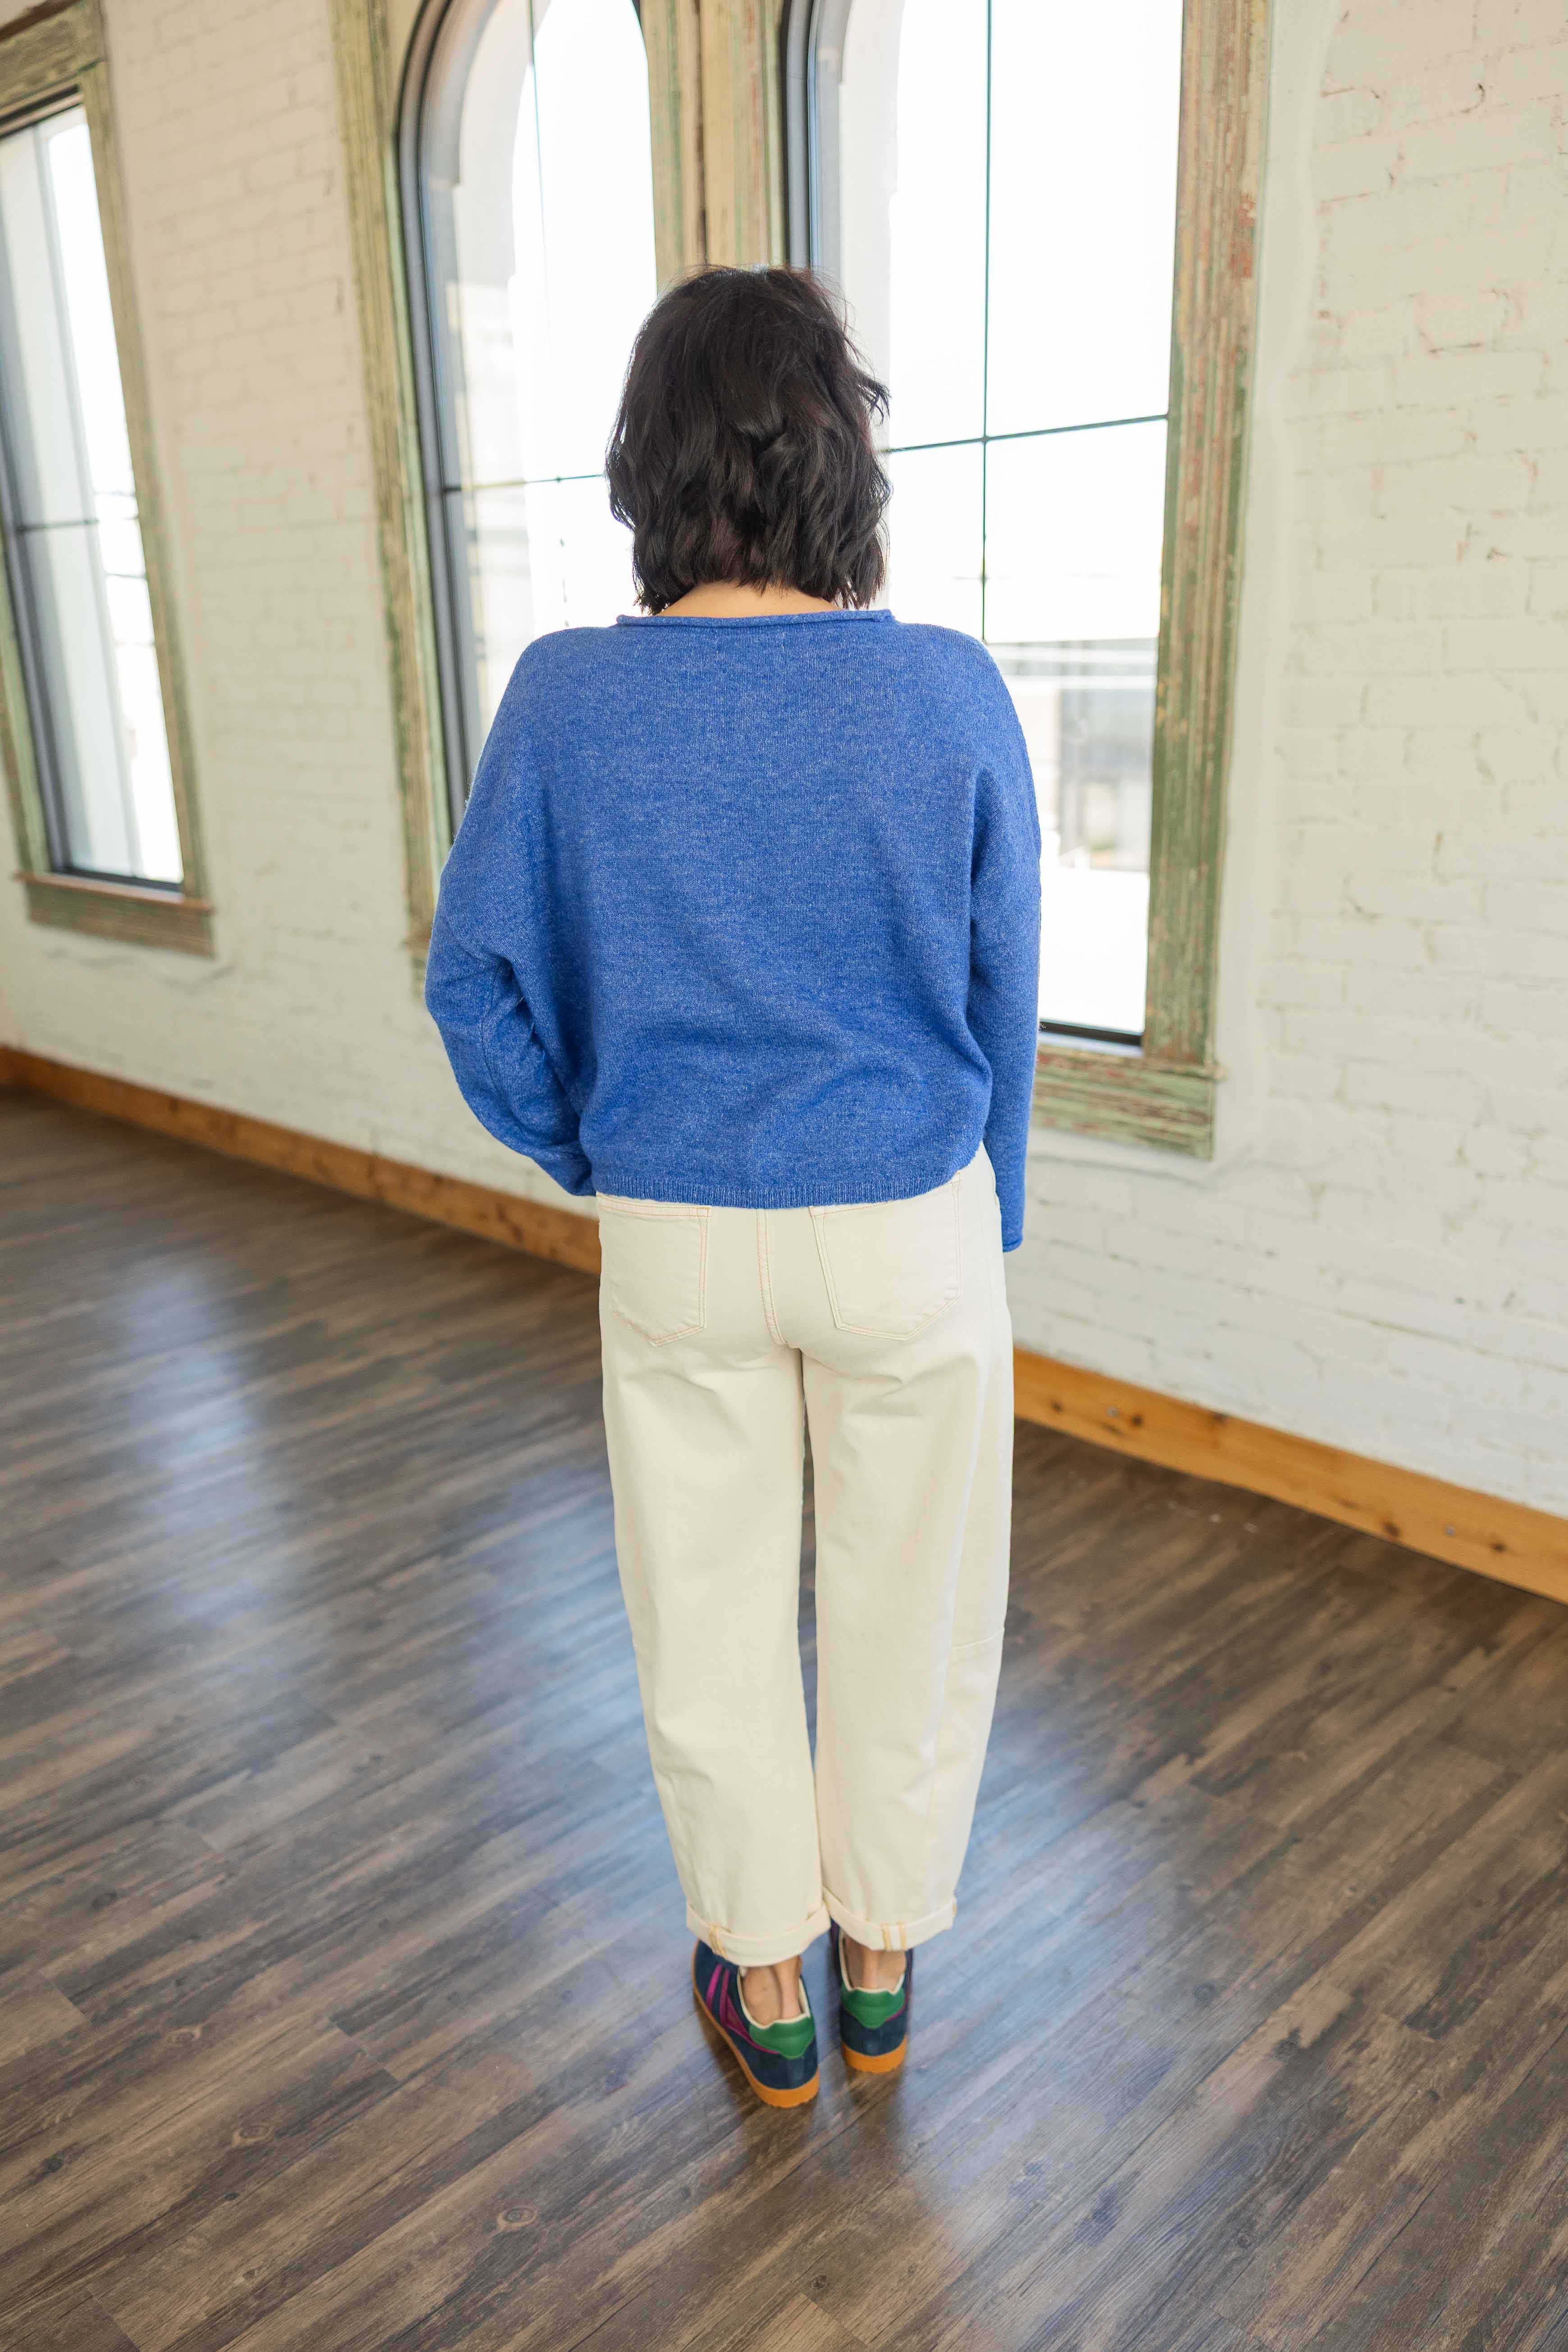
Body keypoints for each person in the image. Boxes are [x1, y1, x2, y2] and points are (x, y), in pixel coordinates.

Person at [424, 266, 1041, 2109]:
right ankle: (880, 1969)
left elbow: (473, 983)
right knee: (918, 1605)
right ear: (843, 459)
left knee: (703, 1613)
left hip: (680, 1226)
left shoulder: (564, 699)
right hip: (910, 1220)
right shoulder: (946, 687)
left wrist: (587, 1144)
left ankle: (765, 1985)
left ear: (653, 461)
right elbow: (1002, 983)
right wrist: (991, 1203)